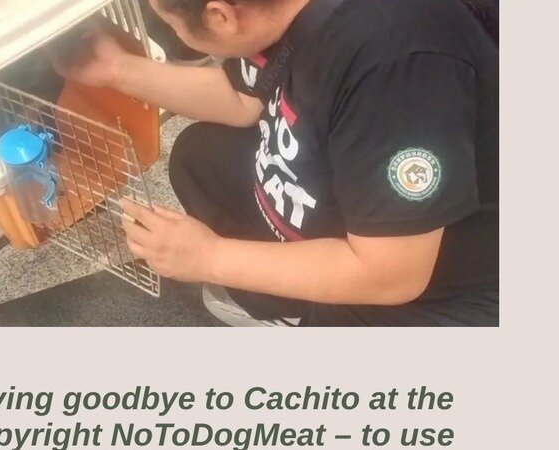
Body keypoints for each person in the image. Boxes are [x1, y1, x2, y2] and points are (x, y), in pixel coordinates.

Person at [52, 0, 499, 326]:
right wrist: (117, 70)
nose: (172, 30)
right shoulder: (278, 11)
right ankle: (290, 304)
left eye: (169, 22)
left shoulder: (399, 67)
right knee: (201, 158)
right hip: (355, 182)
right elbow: (242, 97)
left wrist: (210, 257)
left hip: (443, 279)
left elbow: (391, 276)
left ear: (221, 16)